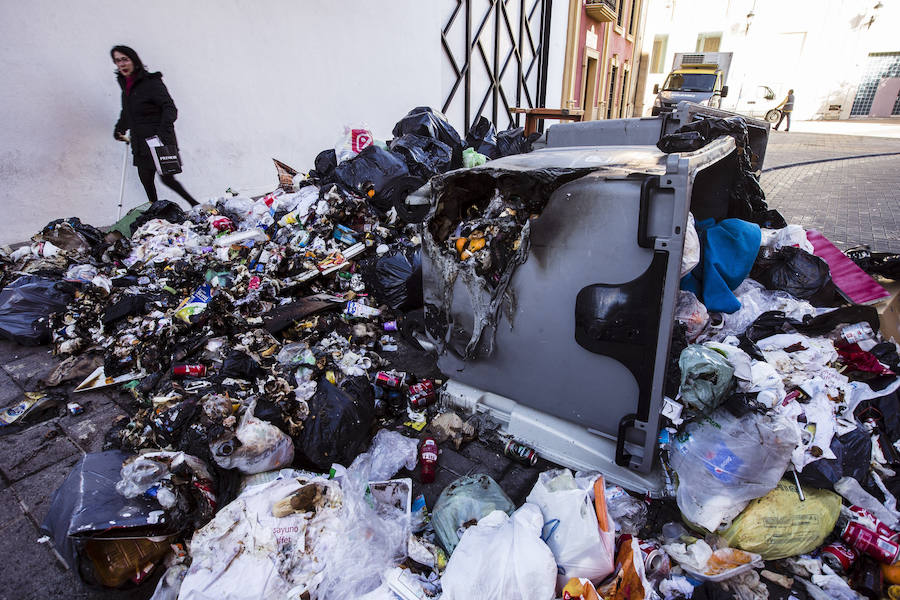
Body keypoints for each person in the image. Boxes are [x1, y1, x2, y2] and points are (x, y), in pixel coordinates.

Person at [111, 45, 198, 207]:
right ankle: (156, 212)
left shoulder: (151, 83)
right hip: (139, 142)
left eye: (124, 59)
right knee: (145, 178)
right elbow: (128, 113)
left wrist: (162, 133)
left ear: (134, 60)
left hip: (157, 139)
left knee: (167, 178)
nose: (121, 64)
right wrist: (120, 128)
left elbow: (170, 108)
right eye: (117, 61)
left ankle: (194, 204)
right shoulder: (126, 87)